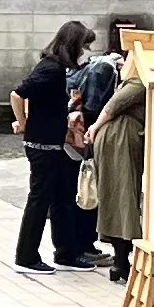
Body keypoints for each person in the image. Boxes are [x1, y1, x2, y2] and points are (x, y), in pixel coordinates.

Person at [9, 19, 98, 272]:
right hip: (42, 145)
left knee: (61, 198)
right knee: (40, 199)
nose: (84, 52)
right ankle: (26, 257)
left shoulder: (56, 68)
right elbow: (18, 94)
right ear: (73, 44)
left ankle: (66, 253)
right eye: (83, 45)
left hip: (52, 143)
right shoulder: (50, 68)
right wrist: (23, 122)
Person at [85, 41, 149, 284]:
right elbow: (112, 107)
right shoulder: (139, 82)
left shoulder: (138, 80)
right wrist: (94, 127)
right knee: (123, 197)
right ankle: (121, 261)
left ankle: (121, 260)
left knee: (119, 197)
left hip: (119, 139)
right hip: (120, 139)